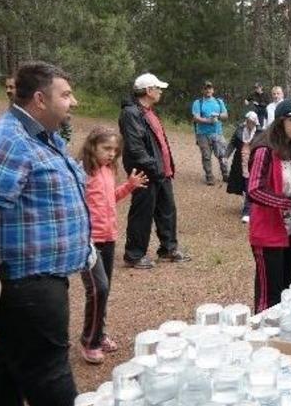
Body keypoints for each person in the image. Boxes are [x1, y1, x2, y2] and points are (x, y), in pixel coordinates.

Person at [0, 61, 93, 405]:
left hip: (42, 277)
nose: (73, 101)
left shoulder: (44, 138)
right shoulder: (9, 138)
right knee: (48, 373)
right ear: (39, 99)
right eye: (65, 95)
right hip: (27, 281)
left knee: (8, 363)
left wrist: (83, 240)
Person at [78, 127, 148, 364]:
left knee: (103, 291)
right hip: (88, 242)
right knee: (99, 288)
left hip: (108, 238)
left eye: (114, 150)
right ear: (92, 146)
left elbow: (110, 198)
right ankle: (90, 342)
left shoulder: (108, 170)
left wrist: (128, 185)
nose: (111, 154)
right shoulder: (82, 172)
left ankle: (99, 333)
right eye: (106, 149)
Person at [247, 99, 291, 312]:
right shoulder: (264, 149)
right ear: (279, 122)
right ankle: (262, 336)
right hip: (268, 232)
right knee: (269, 297)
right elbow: (254, 191)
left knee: (289, 290)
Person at [119, 72, 191, 269]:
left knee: (167, 211)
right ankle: (134, 254)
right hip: (146, 173)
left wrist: (164, 169)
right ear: (148, 90)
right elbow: (135, 147)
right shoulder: (131, 113)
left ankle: (168, 248)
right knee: (142, 213)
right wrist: (152, 167)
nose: (160, 92)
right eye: (158, 88)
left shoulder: (148, 111)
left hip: (161, 172)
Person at [226, 111, 262, 224]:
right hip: (240, 162)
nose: (249, 123)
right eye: (248, 121)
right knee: (243, 185)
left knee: (250, 186)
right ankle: (249, 206)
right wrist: (226, 156)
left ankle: (247, 211)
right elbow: (232, 143)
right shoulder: (239, 130)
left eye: (252, 121)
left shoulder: (261, 133)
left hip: (254, 163)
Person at [191, 81, 229, 185]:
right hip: (202, 134)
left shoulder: (219, 101)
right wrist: (209, 121)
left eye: (210, 88)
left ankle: (225, 174)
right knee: (206, 156)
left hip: (218, 133)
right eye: (206, 88)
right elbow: (196, 117)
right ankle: (209, 176)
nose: (208, 90)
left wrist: (218, 116)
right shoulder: (198, 102)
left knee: (222, 154)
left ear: (213, 90)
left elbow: (226, 115)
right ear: (202, 90)